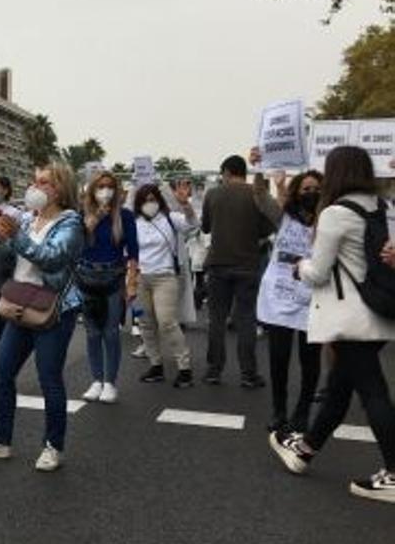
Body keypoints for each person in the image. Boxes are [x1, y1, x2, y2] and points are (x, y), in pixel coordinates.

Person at [270, 146, 395, 504]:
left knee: (374, 393)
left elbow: (318, 271)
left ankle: (393, 472)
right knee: (340, 389)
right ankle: (304, 450)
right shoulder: (383, 207)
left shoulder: (336, 213)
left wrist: (299, 267)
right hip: (379, 310)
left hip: (348, 316)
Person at [0, 163, 84, 472]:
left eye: (43, 183)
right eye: (34, 182)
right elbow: (13, 259)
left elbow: (52, 258)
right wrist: (0, 236)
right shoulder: (28, 219)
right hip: (19, 302)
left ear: (60, 188)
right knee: (2, 371)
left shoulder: (71, 224)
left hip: (51, 308)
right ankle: (0, 440)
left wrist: (15, 237)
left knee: (49, 379)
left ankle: (52, 446)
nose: (35, 188)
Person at [251, 159, 323, 432]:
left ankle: (303, 411)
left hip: (313, 298)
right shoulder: (284, 217)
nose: (311, 193)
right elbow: (259, 195)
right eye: (305, 189)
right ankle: (279, 411)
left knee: (310, 360)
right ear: (296, 193)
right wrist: (258, 168)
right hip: (280, 299)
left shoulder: (331, 220)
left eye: (316, 189)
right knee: (278, 359)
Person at [201, 155, 279, 387]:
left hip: (217, 263)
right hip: (248, 264)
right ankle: (248, 374)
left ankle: (214, 371)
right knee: (246, 320)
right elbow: (269, 226)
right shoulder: (256, 193)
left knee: (216, 319)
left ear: (226, 172)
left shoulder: (213, 194)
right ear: (243, 172)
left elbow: (205, 227)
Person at [77, 172, 139, 403]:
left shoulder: (125, 216)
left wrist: (132, 283)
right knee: (92, 332)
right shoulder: (81, 215)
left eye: (110, 186)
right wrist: (93, 220)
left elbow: (133, 252)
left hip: (113, 276)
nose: (105, 191)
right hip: (86, 277)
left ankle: (110, 382)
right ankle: (96, 379)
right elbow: (77, 244)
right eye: (100, 186)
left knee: (111, 332)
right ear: (92, 190)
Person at [133, 182, 199, 387]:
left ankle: (184, 367)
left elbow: (193, 224)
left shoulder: (171, 218)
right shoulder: (134, 222)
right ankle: (156, 365)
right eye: (144, 200)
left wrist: (185, 204)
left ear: (159, 201)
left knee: (167, 322)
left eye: (152, 199)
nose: (148, 204)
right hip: (140, 278)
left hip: (165, 277)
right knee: (145, 323)